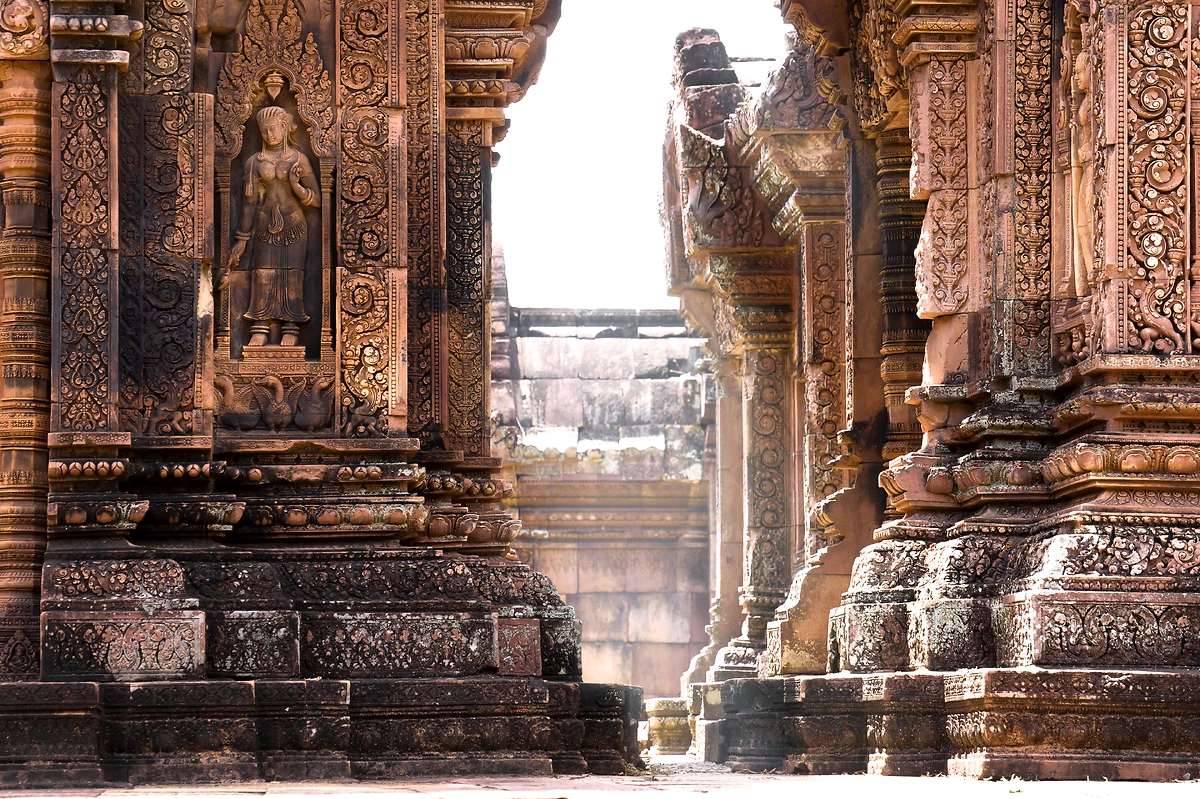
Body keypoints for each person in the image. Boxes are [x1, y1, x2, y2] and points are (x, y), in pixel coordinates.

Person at [226, 105, 320, 347]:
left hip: (295, 222)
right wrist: (241, 239)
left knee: (293, 274)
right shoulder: (254, 162)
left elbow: (318, 199)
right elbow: (249, 204)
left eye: (274, 129)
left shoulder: (300, 159)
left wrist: (296, 185)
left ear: (284, 127)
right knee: (262, 273)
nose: (269, 135)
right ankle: (260, 326)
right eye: (264, 131)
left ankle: (291, 325)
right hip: (265, 222)